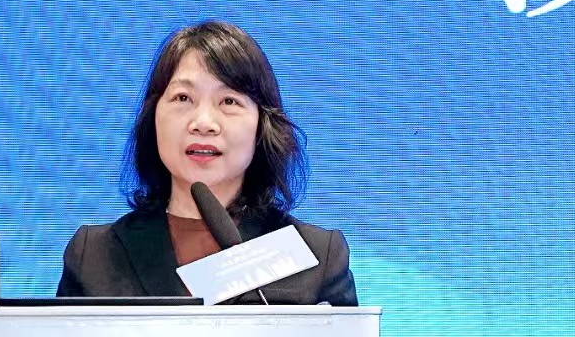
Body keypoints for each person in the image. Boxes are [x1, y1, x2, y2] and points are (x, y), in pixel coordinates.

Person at [56, 21, 358, 305]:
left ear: (262, 125)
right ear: (153, 117)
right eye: (183, 98)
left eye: (229, 101)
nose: (203, 123)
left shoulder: (316, 255)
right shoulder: (93, 255)